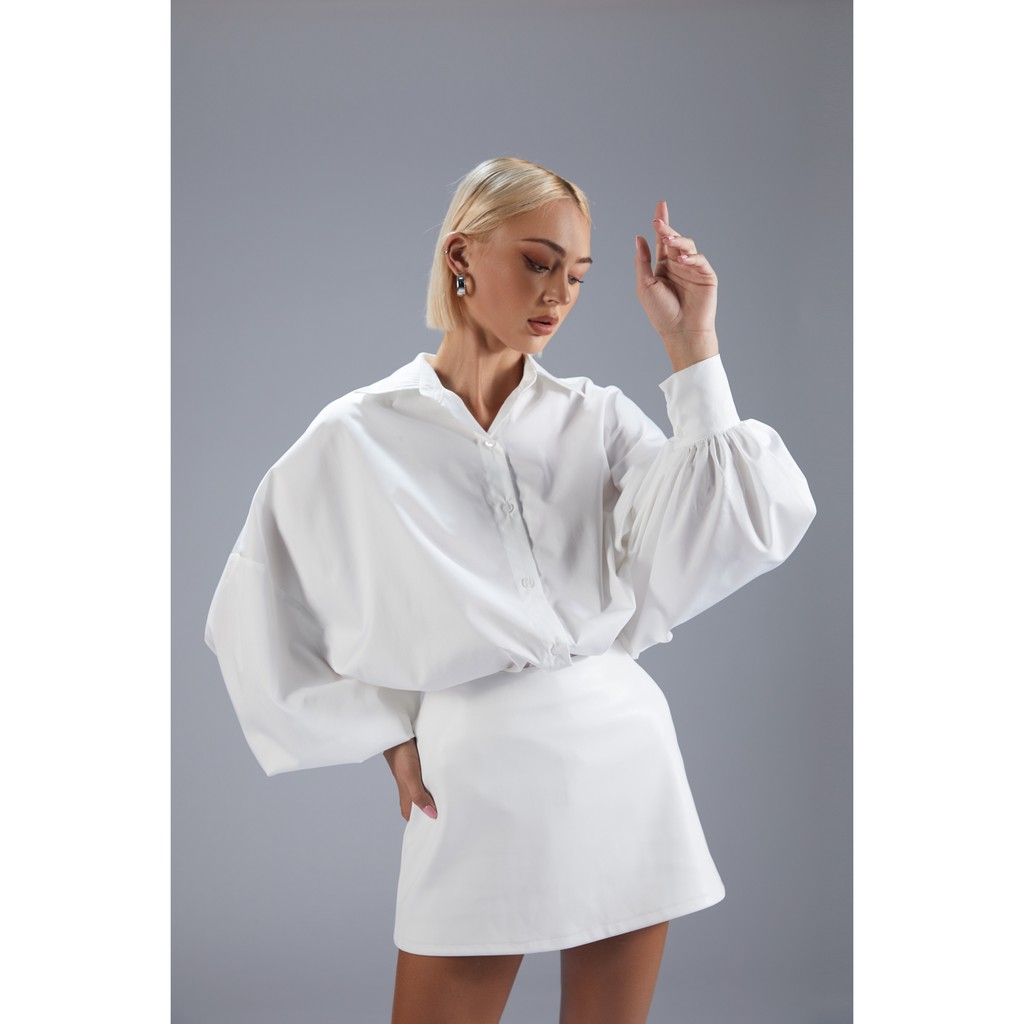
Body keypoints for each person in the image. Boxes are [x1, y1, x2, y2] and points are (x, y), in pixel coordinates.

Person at [204, 156, 817, 1024]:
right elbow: (256, 602)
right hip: (476, 771)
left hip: (623, 754)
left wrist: (693, 346)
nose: (558, 294)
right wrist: (386, 731)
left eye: (578, 275)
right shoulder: (358, 434)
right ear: (461, 255)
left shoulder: (596, 417)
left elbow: (729, 524)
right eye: (538, 262)